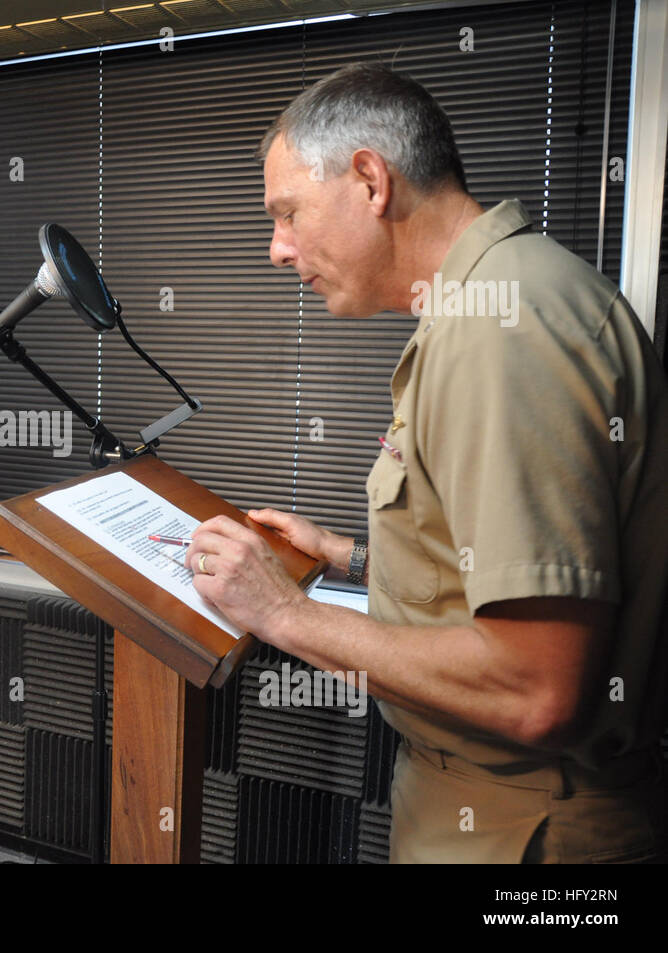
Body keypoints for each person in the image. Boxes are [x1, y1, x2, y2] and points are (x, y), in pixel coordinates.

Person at [185, 63, 668, 862]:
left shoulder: (503, 333)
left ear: (371, 180)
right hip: (492, 804)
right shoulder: (490, 304)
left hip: (527, 828)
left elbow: (535, 685)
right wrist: (347, 555)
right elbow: (488, 574)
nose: (277, 250)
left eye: (288, 213)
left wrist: (287, 615)